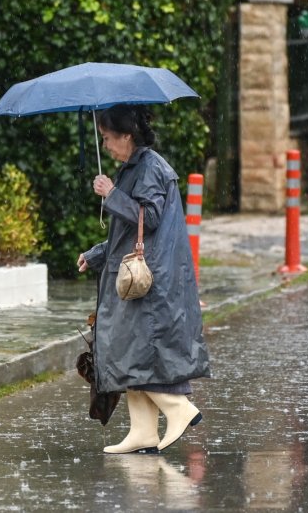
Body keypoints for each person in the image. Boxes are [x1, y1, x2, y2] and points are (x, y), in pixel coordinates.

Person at [77, 103, 211, 454]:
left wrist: (111, 194)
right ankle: (143, 432)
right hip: (142, 273)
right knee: (131, 352)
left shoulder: (150, 168)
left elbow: (148, 218)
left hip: (151, 280)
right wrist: (95, 254)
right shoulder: (134, 167)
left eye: (108, 138)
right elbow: (127, 233)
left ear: (127, 135)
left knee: (135, 352)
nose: (105, 145)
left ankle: (179, 410)